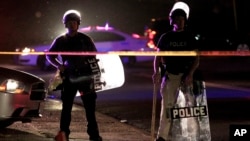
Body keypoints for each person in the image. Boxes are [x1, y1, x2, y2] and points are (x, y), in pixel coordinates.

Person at [46, 9, 102, 141]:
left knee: (90, 109)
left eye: (74, 22)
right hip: (69, 78)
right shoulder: (60, 40)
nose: (72, 25)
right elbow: (50, 55)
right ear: (65, 24)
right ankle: (63, 134)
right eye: (69, 22)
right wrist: (59, 65)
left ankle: (94, 135)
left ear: (78, 24)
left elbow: (94, 55)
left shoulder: (85, 39)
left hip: (85, 77)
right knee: (66, 109)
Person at [152, 6, 199, 141]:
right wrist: (157, 72)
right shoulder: (166, 37)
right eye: (176, 19)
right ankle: (162, 137)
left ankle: (192, 136)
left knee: (190, 108)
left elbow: (197, 58)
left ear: (185, 21)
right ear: (172, 21)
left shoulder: (189, 37)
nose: (179, 21)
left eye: (181, 19)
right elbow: (158, 56)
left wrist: (190, 74)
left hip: (186, 77)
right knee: (167, 108)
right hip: (170, 76)